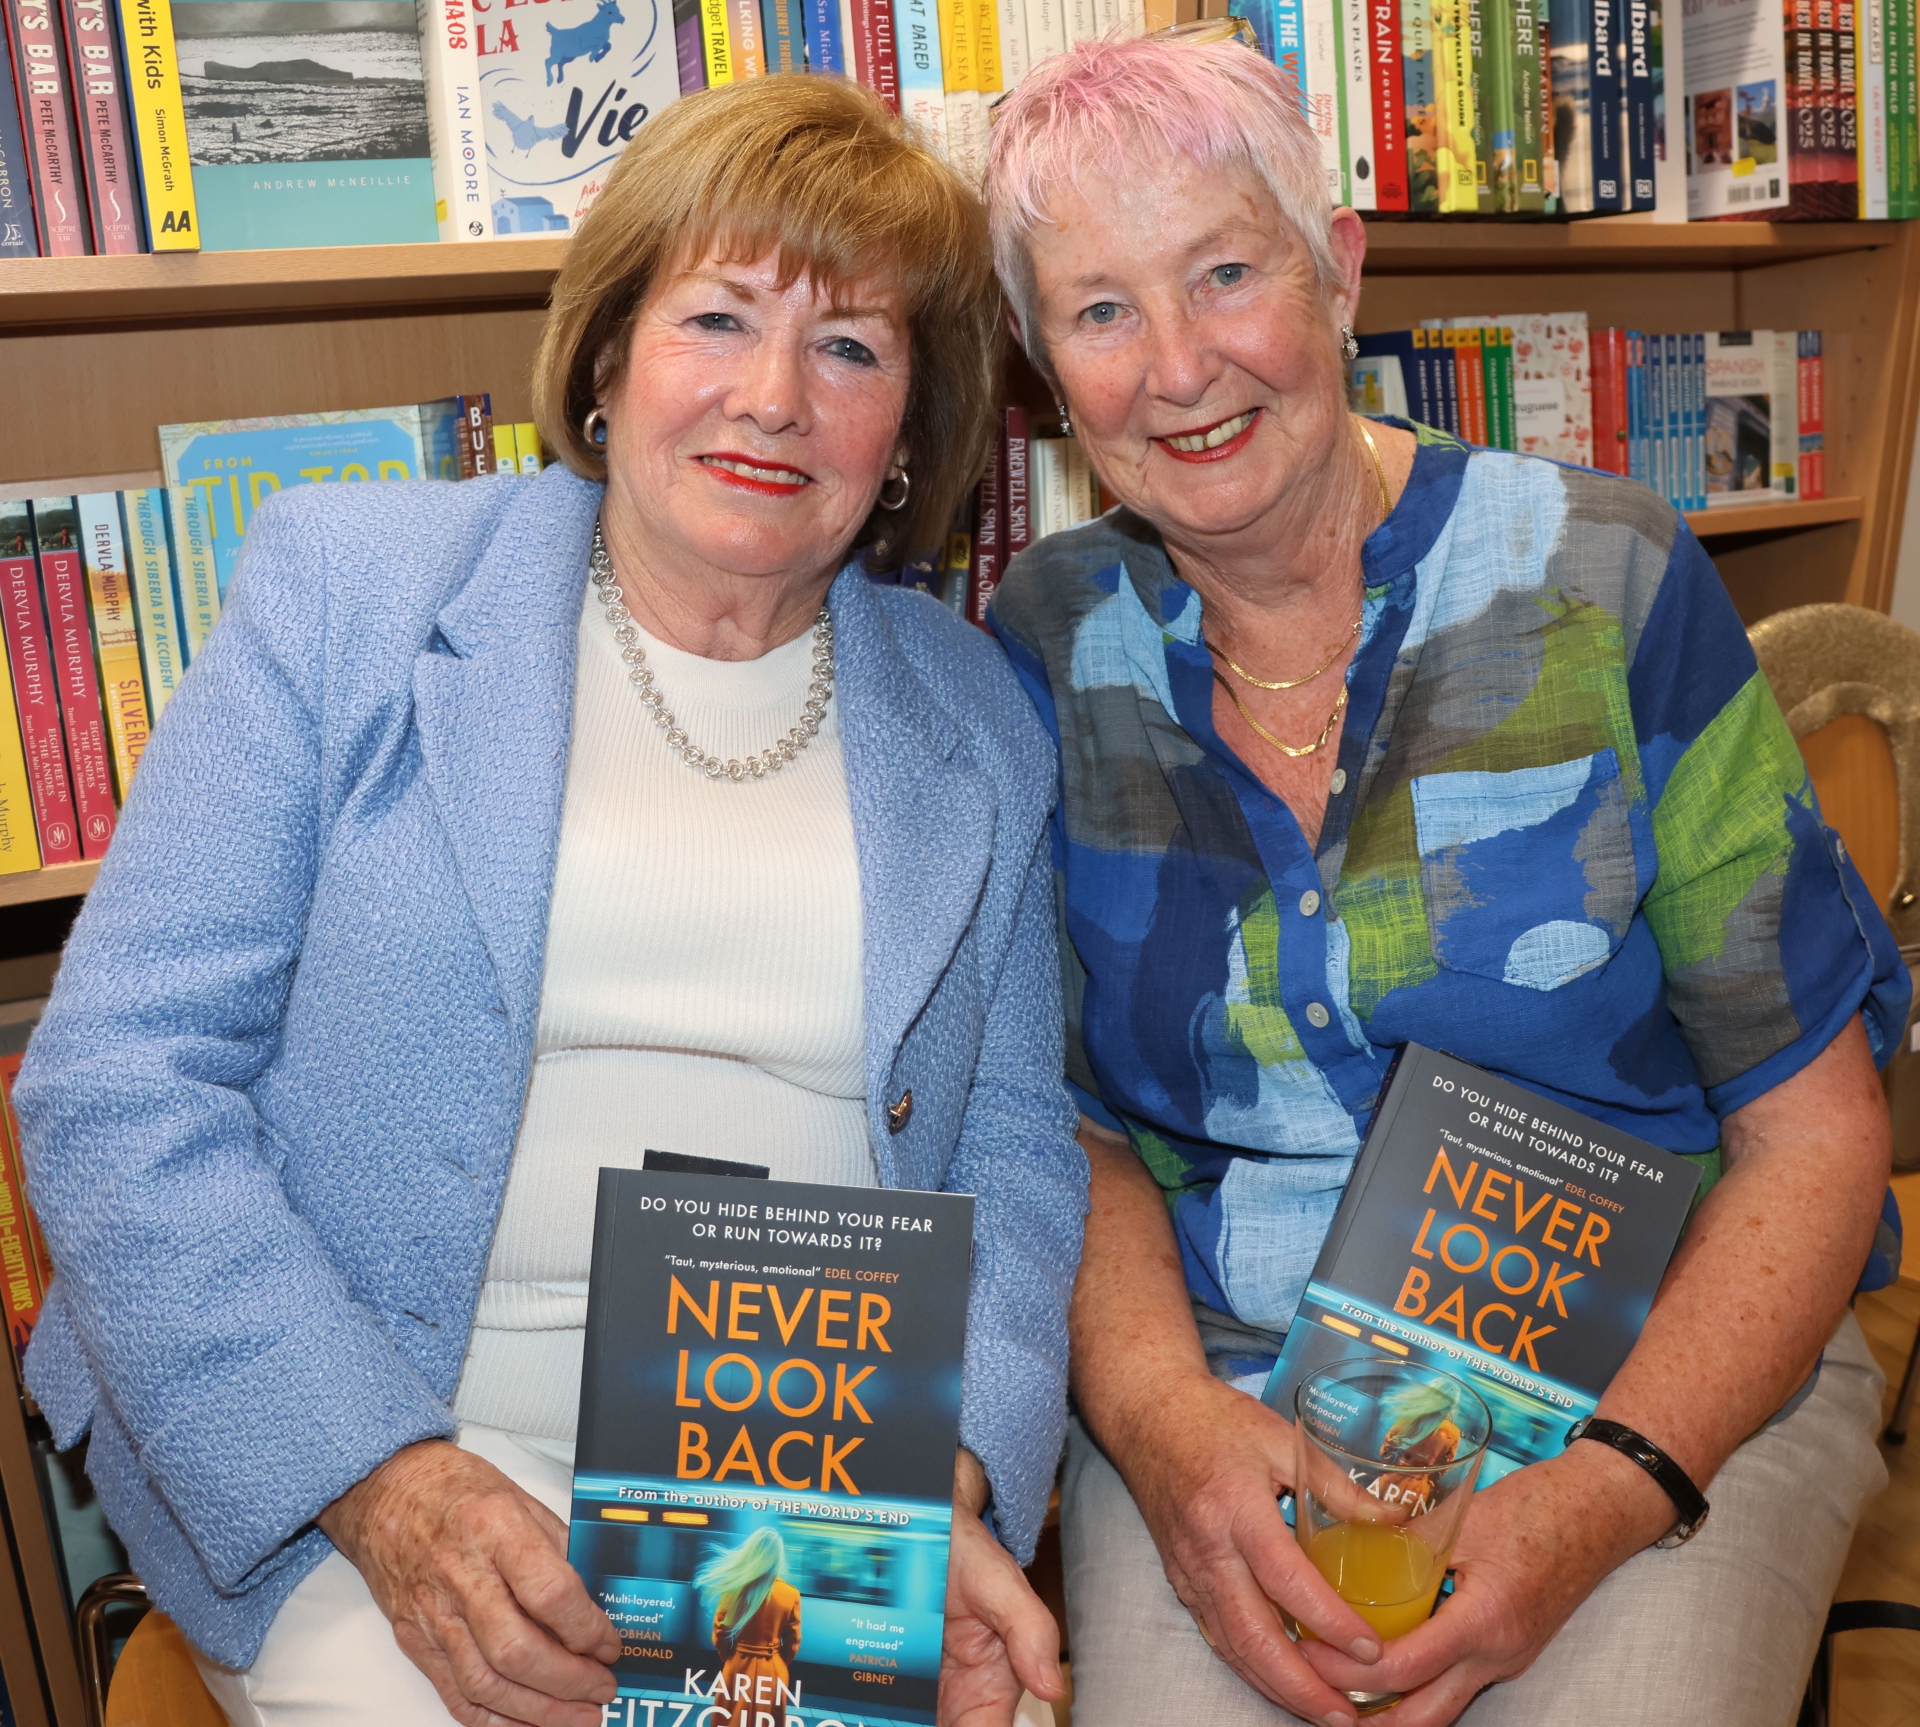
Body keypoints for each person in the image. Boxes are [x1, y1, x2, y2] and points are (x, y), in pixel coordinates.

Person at [19, 75, 1083, 1727]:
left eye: (850, 348)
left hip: (797, 1483)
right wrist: (387, 1481)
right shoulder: (351, 593)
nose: (773, 397)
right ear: (606, 358)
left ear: (911, 432)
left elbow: (1015, 1147)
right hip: (371, 1453)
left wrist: (946, 1472)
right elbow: (115, 1080)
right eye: (717, 318)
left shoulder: (978, 713)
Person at [983, 33, 1907, 1727]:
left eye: (1226, 273)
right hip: (1233, 1388)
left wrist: (1606, 1489)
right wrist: (1170, 1430)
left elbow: (1817, 1129)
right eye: (1101, 311)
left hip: (1657, 1371)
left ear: (1339, 271)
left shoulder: (1605, 574)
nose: (1178, 366)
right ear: (1046, 376)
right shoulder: (1043, 647)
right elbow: (1073, 1129)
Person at [699, 1529, 803, 1726]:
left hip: (737, 1665)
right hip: (773, 1670)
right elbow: (793, 1641)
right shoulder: (791, 1594)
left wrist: (731, 1656)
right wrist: (777, 1662)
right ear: (778, 1557)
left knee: (729, 1719)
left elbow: (721, 1632)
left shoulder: (733, 1587)